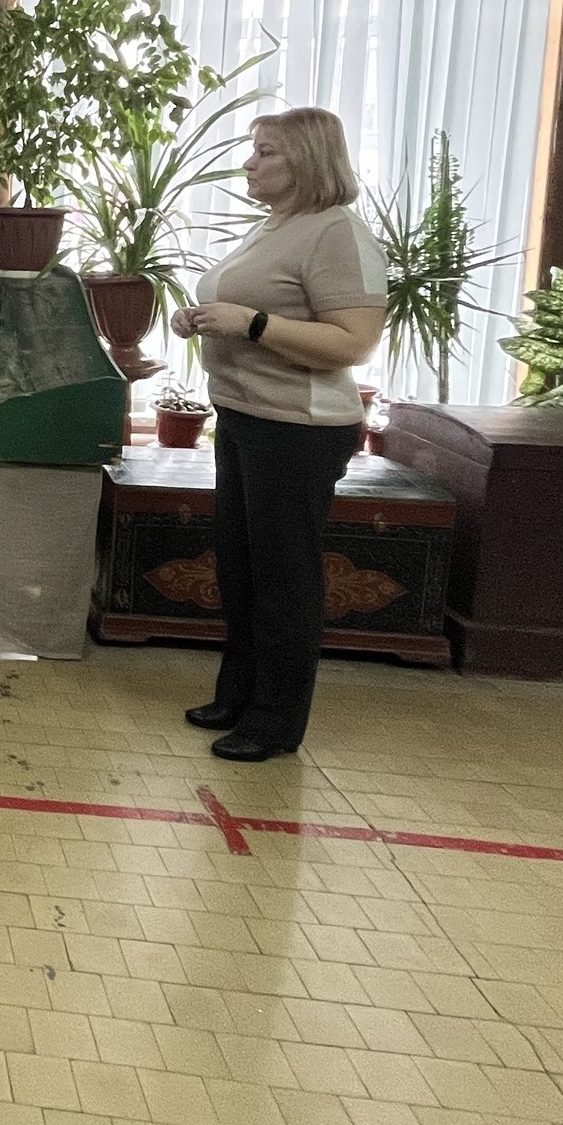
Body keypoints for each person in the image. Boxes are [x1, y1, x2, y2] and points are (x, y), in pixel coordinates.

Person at [170, 107, 387, 763]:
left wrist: (251, 324)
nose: (250, 163)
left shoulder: (337, 233)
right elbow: (247, 307)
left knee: (283, 577)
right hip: (245, 416)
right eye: (254, 150)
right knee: (241, 568)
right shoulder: (276, 225)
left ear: (307, 161)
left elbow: (353, 343)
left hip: (298, 428)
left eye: (266, 152)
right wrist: (201, 318)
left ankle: (274, 722)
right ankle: (239, 696)